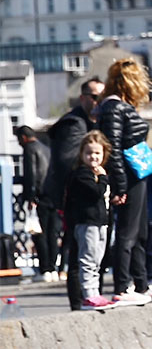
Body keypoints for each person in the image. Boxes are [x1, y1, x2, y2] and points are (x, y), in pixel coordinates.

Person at [97, 58, 152, 306]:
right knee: (128, 233)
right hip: (128, 176)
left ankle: (141, 283)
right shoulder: (114, 108)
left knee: (140, 232)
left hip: (136, 174)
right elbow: (113, 148)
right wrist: (119, 184)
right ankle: (122, 286)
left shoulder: (116, 107)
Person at [46, 78, 103, 309]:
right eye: (95, 97)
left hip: (87, 199)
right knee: (79, 252)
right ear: (83, 98)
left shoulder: (89, 124)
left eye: (102, 96)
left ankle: (87, 297)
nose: (99, 102)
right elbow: (67, 161)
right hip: (74, 201)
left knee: (91, 251)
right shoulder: (73, 124)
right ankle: (79, 302)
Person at [66, 131, 116, 311]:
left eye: (97, 153)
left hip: (100, 222)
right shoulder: (82, 174)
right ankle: (88, 294)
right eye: (89, 153)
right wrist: (103, 178)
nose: (93, 157)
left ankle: (95, 292)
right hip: (87, 222)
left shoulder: (94, 172)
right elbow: (96, 192)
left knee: (97, 259)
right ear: (81, 154)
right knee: (87, 259)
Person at [17, 126, 55, 282]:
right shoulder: (46, 148)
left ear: (24, 137)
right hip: (52, 196)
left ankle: (44, 268)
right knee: (52, 233)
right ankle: (53, 269)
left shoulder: (29, 149)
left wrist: (30, 197)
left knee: (39, 234)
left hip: (39, 197)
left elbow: (31, 174)